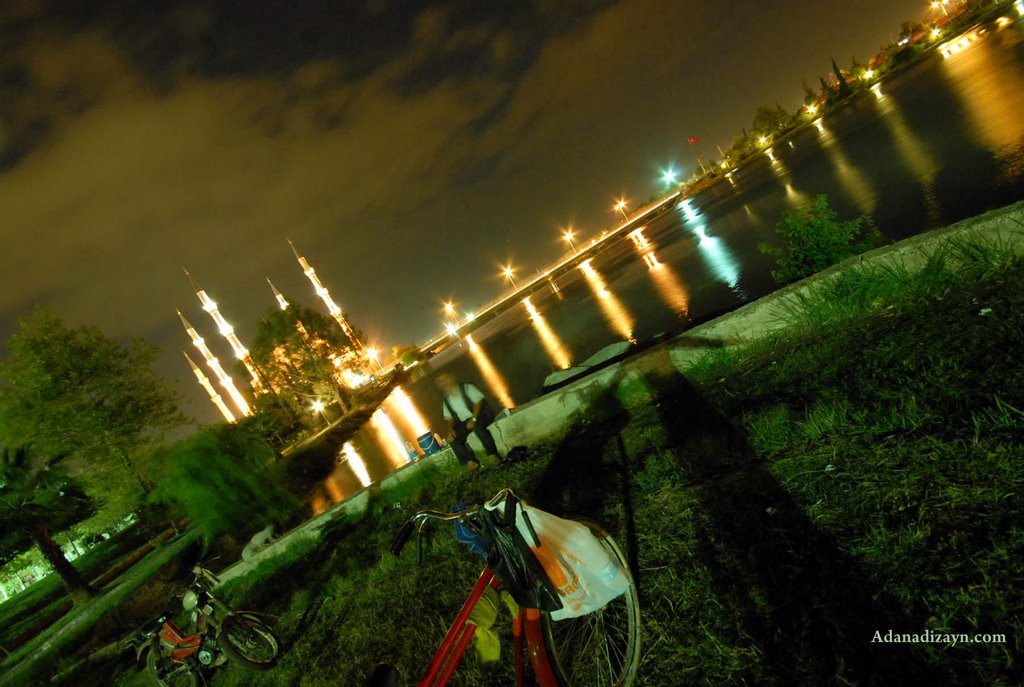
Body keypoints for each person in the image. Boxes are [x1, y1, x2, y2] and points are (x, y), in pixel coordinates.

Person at [437, 372, 501, 469]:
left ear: (452, 378)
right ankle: (470, 462)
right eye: (441, 382)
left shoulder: (467, 388)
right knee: (453, 440)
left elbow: (479, 402)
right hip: (464, 422)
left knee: (478, 427)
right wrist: (450, 430)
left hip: (480, 415)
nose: (444, 383)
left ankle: (493, 454)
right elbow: (449, 419)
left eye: (445, 380)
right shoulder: (446, 400)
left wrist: (473, 419)